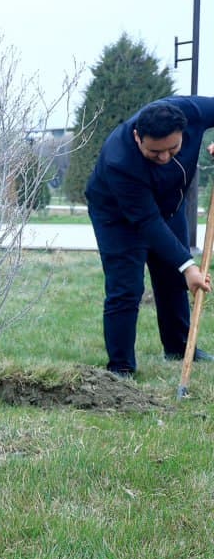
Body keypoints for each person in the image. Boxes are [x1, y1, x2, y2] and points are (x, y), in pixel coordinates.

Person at [85, 96, 214, 376]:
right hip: (117, 217)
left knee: (172, 277)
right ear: (137, 137)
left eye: (173, 148)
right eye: (155, 152)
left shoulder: (191, 111)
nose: (164, 157)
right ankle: (121, 367)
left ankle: (179, 348)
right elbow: (147, 221)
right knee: (126, 287)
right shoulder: (119, 160)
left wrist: (181, 268)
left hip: (168, 206)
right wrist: (189, 266)